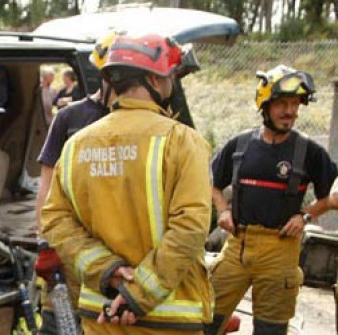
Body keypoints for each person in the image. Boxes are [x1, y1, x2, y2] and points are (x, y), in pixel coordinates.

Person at [41, 33, 213, 334]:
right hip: (167, 320)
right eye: (171, 76)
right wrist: (137, 294)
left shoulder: (77, 145)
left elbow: (54, 220)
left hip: (101, 316)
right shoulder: (184, 142)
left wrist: (107, 272)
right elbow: (191, 228)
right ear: (154, 80)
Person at [206, 65, 337, 334]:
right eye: (282, 104)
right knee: (203, 321)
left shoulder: (309, 150)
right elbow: (213, 185)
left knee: (270, 330)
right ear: (264, 105)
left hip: (281, 251)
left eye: (295, 104)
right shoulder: (240, 144)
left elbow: (331, 197)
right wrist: (222, 210)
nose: (290, 112)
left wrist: (305, 216)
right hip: (237, 247)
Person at [33, 32, 118, 335]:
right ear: (103, 72)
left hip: (117, 257)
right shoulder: (71, 117)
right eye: (116, 72)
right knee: (58, 325)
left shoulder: (143, 124)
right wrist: (44, 243)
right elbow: (47, 184)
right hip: (68, 247)